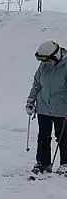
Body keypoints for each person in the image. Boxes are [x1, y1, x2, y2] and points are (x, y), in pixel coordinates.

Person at [26, 40, 67, 174]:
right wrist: (31, 101)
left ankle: (65, 164)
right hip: (43, 107)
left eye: (47, 60)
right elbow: (37, 85)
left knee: (63, 137)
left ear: (55, 57)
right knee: (43, 136)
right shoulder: (43, 66)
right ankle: (43, 163)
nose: (45, 63)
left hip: (62, 109)